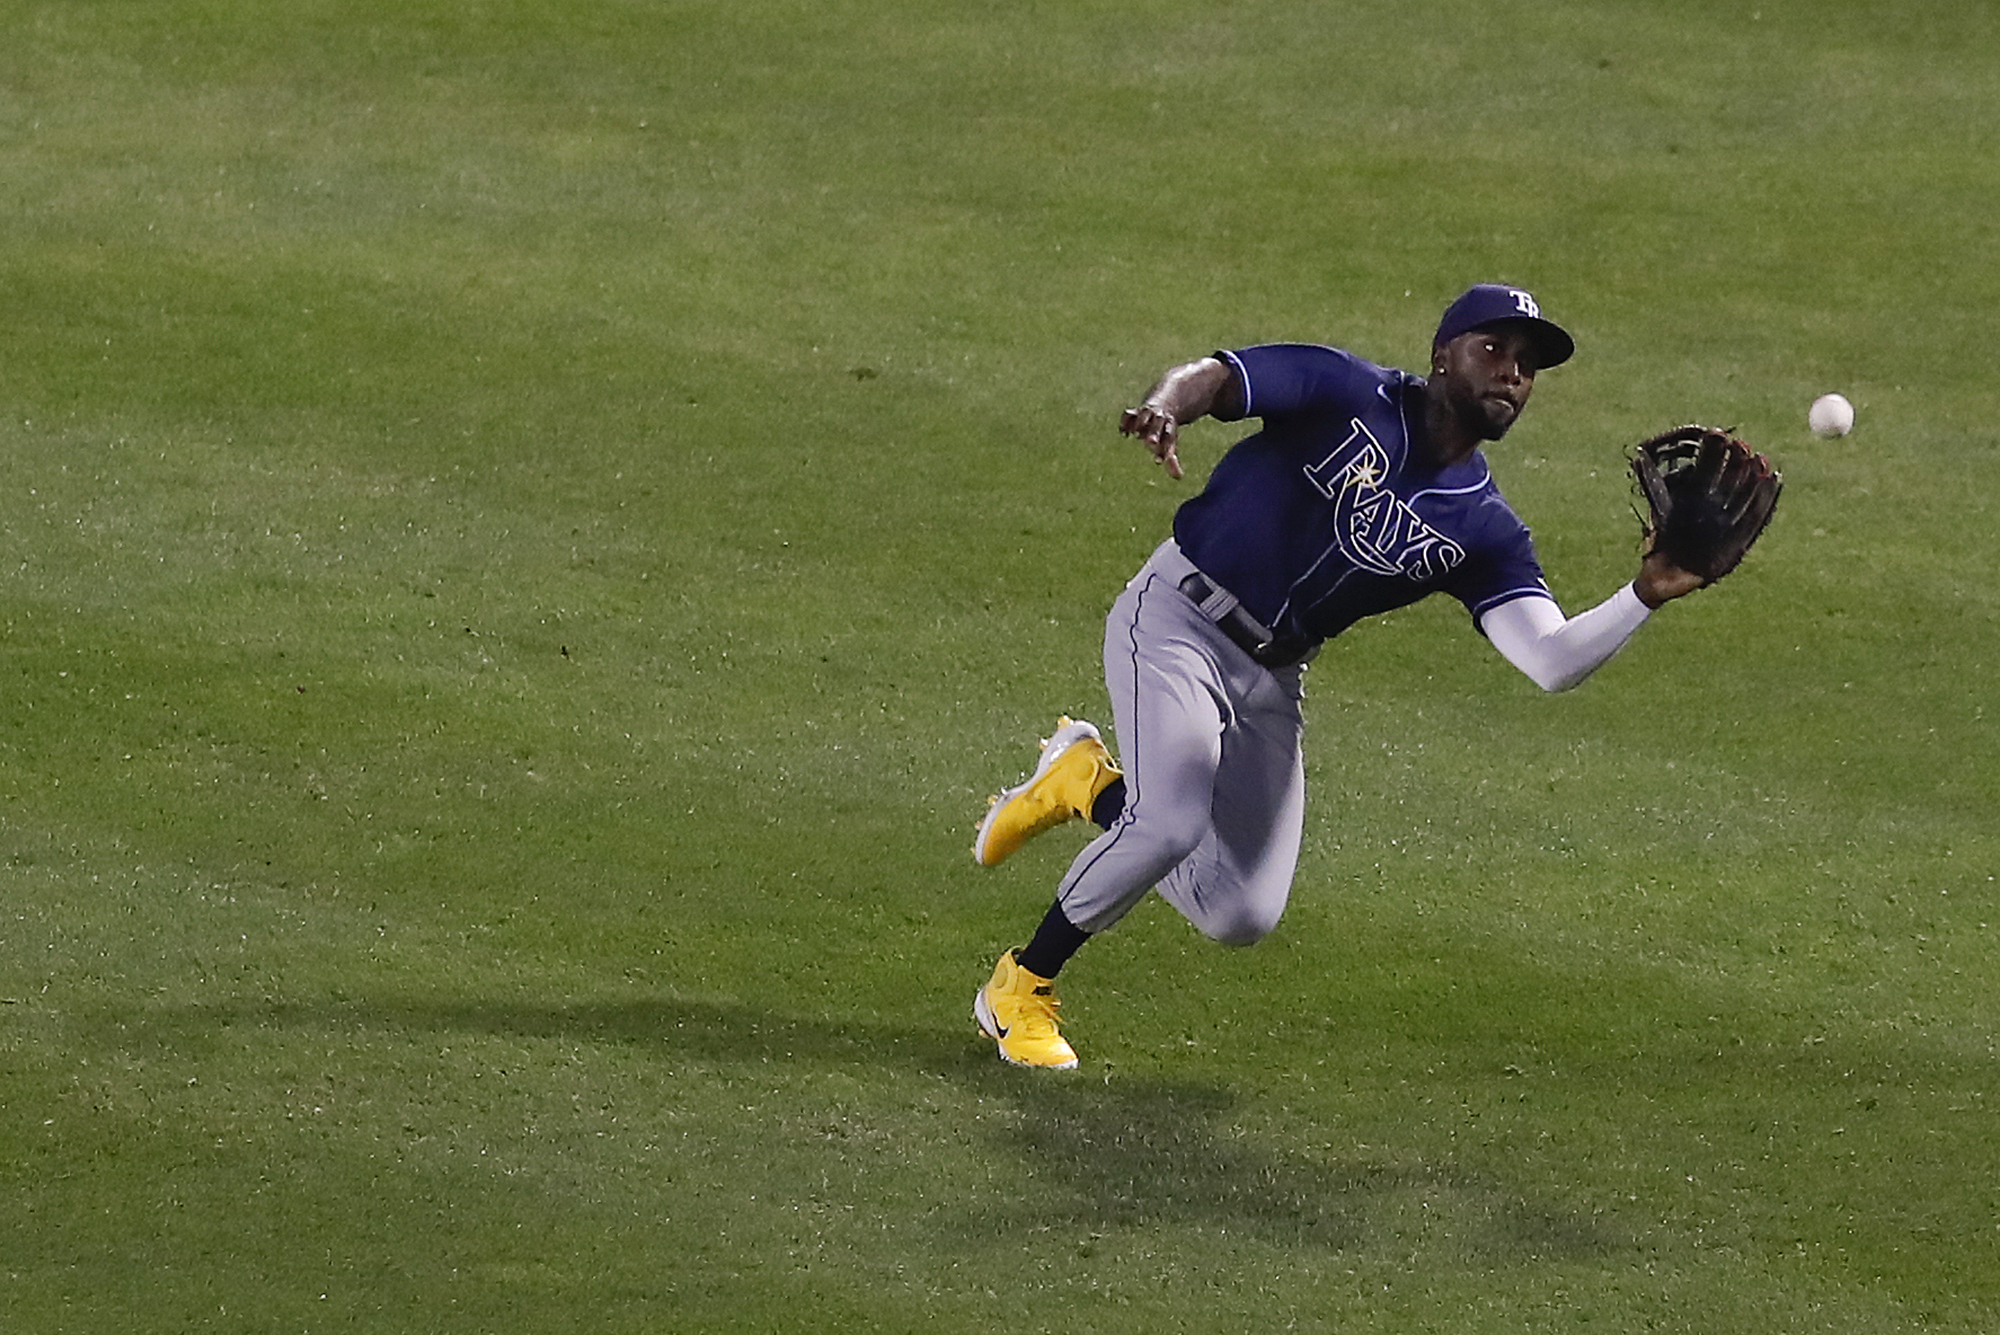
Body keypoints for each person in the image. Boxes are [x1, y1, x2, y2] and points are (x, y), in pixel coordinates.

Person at [968, 283, 1709, 1069]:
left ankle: (1089, 783)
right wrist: (1165, 404)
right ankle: (1020, 985)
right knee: (1172, 821)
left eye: (1527, 365)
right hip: (1177, 619)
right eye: (1494, 350)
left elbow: (1550, 659)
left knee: (1240, 910)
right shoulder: (1345, 390)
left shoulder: (1485, 526)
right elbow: (1220, 377)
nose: (1512, 374)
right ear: (1442, 355)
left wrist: (1644, 595)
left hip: (1273, 678)